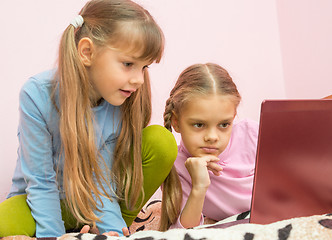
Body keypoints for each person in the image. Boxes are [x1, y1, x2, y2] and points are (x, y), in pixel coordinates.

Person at [0, 0, 178, 237]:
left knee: (161, 141)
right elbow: (41, 182)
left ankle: (108, 227)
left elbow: (101, 183)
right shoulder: (36, 95)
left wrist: (112, 230)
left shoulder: (118, 100)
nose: (139, 80)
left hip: (87, 201)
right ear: (87, 52)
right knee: (5, 222)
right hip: (38, 201)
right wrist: (54, 235)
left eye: (144, 67)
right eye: (128, 64)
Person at [161, 63, 259, 230]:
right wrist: (199, 187)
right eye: (199, 125)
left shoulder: (251, 134)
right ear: (176, 122)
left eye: (224, 124)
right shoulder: (176, 166)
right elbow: (181, 232)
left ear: (233, 117)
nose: (212, 137)